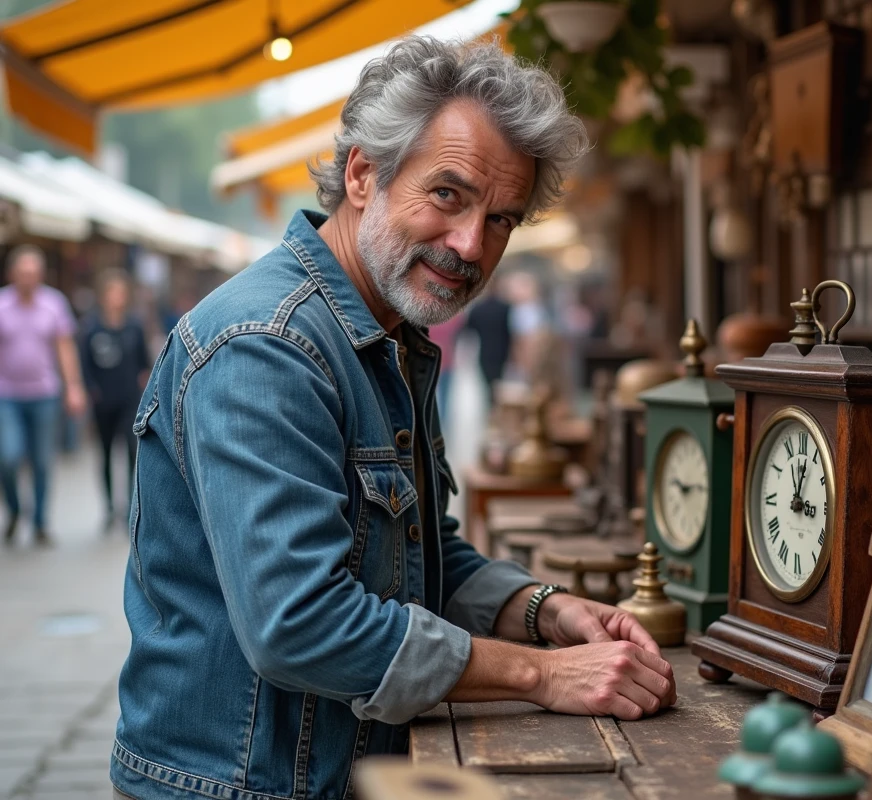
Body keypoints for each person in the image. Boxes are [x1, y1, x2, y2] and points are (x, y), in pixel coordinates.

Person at [112, 38, 675, 800]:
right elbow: (300, 623)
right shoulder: (268, 345)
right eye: (448, 194)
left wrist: (543, 610)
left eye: (502, 219)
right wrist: (542, 674)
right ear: (362, 173)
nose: (472, 244)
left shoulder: (386, 334)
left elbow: (413, 557)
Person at [0, 245, 86, 546]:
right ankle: (13, 509)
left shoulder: (53, 303)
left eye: (33, 272)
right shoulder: (2, 304)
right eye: (23, 272)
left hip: (44, 393)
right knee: (8, 457)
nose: (28, 278)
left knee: (41, 460)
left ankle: (39, 522)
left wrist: (73, 386)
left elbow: (64, 347)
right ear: (12, 274)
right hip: (7, 395)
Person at [78, 269, 150, 530]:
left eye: (121, 293)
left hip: (130, 399)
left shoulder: (134, 325)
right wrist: (89, 389)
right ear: (103, 296)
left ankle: (132, 505)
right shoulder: (91, 327)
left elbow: (144, 363)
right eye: (112, 293)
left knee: (132, 450)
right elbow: (83, 363)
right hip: (103, 400)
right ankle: (109, 507)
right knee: (106, 453)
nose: (117, 298)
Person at [463, 283, 513, 405]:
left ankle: (491, 409)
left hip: (485, 352)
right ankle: (497, 409)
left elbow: (468, 329)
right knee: (499, 384)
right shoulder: (506, 308)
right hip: (503, 352)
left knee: (488, 386)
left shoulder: (478, 308)